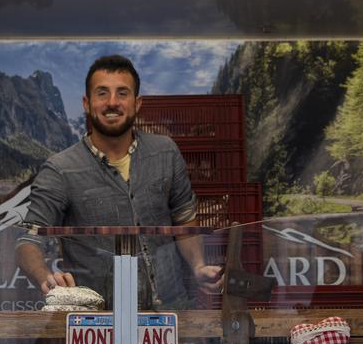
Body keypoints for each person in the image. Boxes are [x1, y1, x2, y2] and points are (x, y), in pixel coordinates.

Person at [17, 54, 223, 309]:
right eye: (102, 93)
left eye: (122, 93)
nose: (112, 102)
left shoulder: (166, 152)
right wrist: (46, 279)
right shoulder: (60, 168)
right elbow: (28, 241)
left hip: (172, 313)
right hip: (97, 321)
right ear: (86, 103)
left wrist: (199, 265)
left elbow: (184, 220)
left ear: (137, 103)